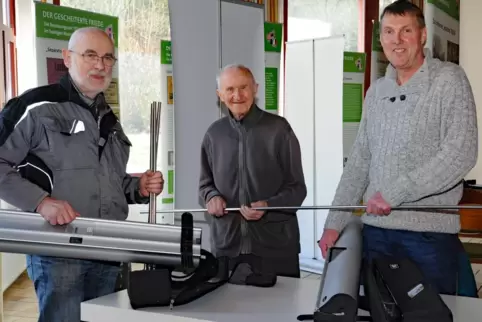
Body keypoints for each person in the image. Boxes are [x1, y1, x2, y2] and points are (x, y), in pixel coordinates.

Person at [0, 27, 164, 321]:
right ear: (67, 57)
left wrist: (137, 186)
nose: (100, 65)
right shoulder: (36, 107)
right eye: (90, 55)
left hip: (109, 248)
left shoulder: (108, 118)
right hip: (60, 252)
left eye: (107, 58)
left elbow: (110, 181)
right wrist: (41, 202)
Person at [318, 0, 478, 297]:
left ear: (423, 35)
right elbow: (358, 164)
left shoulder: (449, 80)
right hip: (376, 234)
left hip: (428, 238)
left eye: (406, 30)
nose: (397, 40)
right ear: (381, 39)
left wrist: (395, 193)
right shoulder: (376, 92)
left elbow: (461, 152)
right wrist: (334, 223)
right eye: (389, 31)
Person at [198, 64, 307, 278]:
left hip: (276, 248)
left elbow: (297, 189)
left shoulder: (279, 129)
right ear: (220, 95)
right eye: (229, 89)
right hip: (228, 248)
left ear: (255, 88)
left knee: (279, 310)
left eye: (243, 87)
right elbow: (205, 185)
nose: (237, 95)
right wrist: (212, 197)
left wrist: (269, 205)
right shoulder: (214, 134)